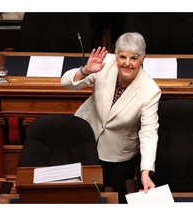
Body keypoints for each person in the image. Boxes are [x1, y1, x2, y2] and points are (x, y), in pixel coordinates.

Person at [61, 32, 161, 203]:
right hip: (86, 137)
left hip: (119, 150)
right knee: (82, 192)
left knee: (117, 196)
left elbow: (149, 133)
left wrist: (145, 172)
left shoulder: (150, 90)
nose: (127, 63)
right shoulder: (105, 63)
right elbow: (66, 84)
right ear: (116, 55)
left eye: (134, 58)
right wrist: (85, 70)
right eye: (122, 56)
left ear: (143, 59)